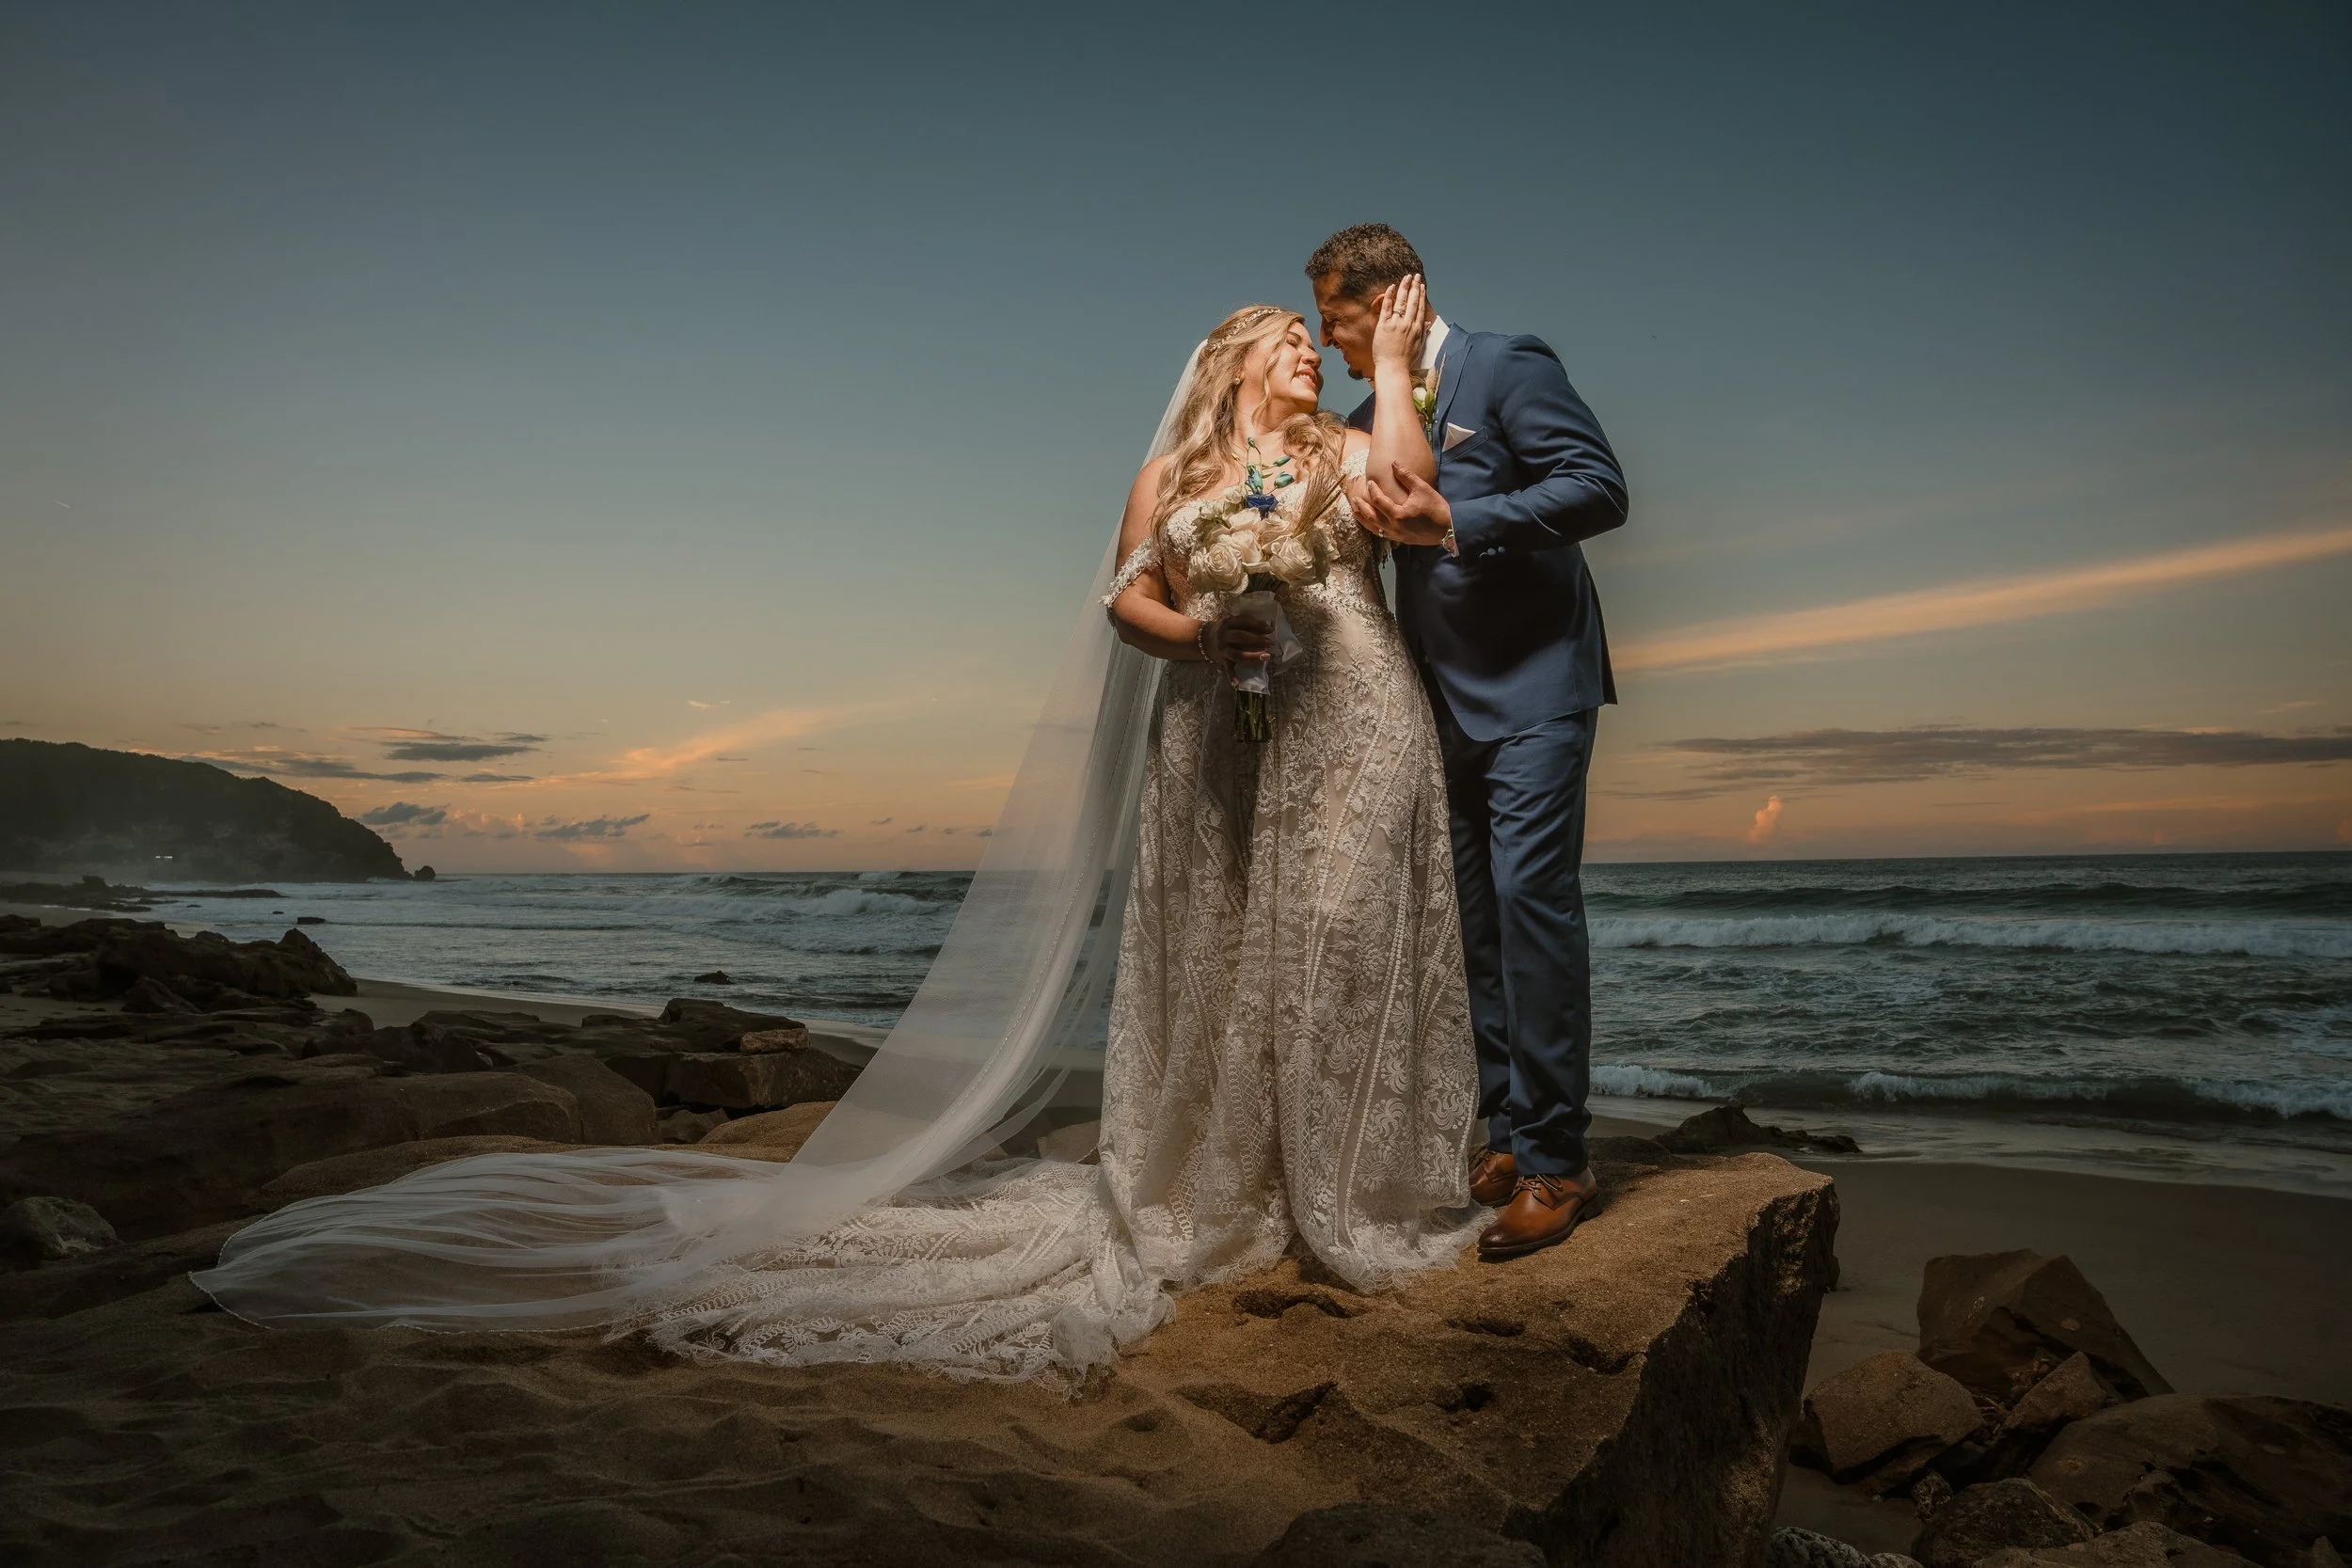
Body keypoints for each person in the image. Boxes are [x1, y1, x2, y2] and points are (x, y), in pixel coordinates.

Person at [192, 289, 1486, 1382]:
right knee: (1217, 949)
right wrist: (1208, 633)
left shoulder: (1342, 444)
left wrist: (1381, 374)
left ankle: (1346, 1179)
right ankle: (1225, 1175)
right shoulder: (1170, 476)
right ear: (1225, 364)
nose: (1302, 353)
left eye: (1312, 344)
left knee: (1339, 933)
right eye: (1285, 340)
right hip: (1215, 719)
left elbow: (1413, 499)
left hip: (1347, 707)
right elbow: (1125, 604)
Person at [1311, 222, 1629, 1260]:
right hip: (1435, 704)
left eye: (1338, 317)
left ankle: (1557, 1160)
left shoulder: (1504, 362)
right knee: (1471, 924)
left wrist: (1457, 518)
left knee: (1534, 910)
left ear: (1393, 297)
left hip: (1536, 686)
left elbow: (1597, 488)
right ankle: (1506, 1126)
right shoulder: (1370, 414)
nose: (1331, 341)